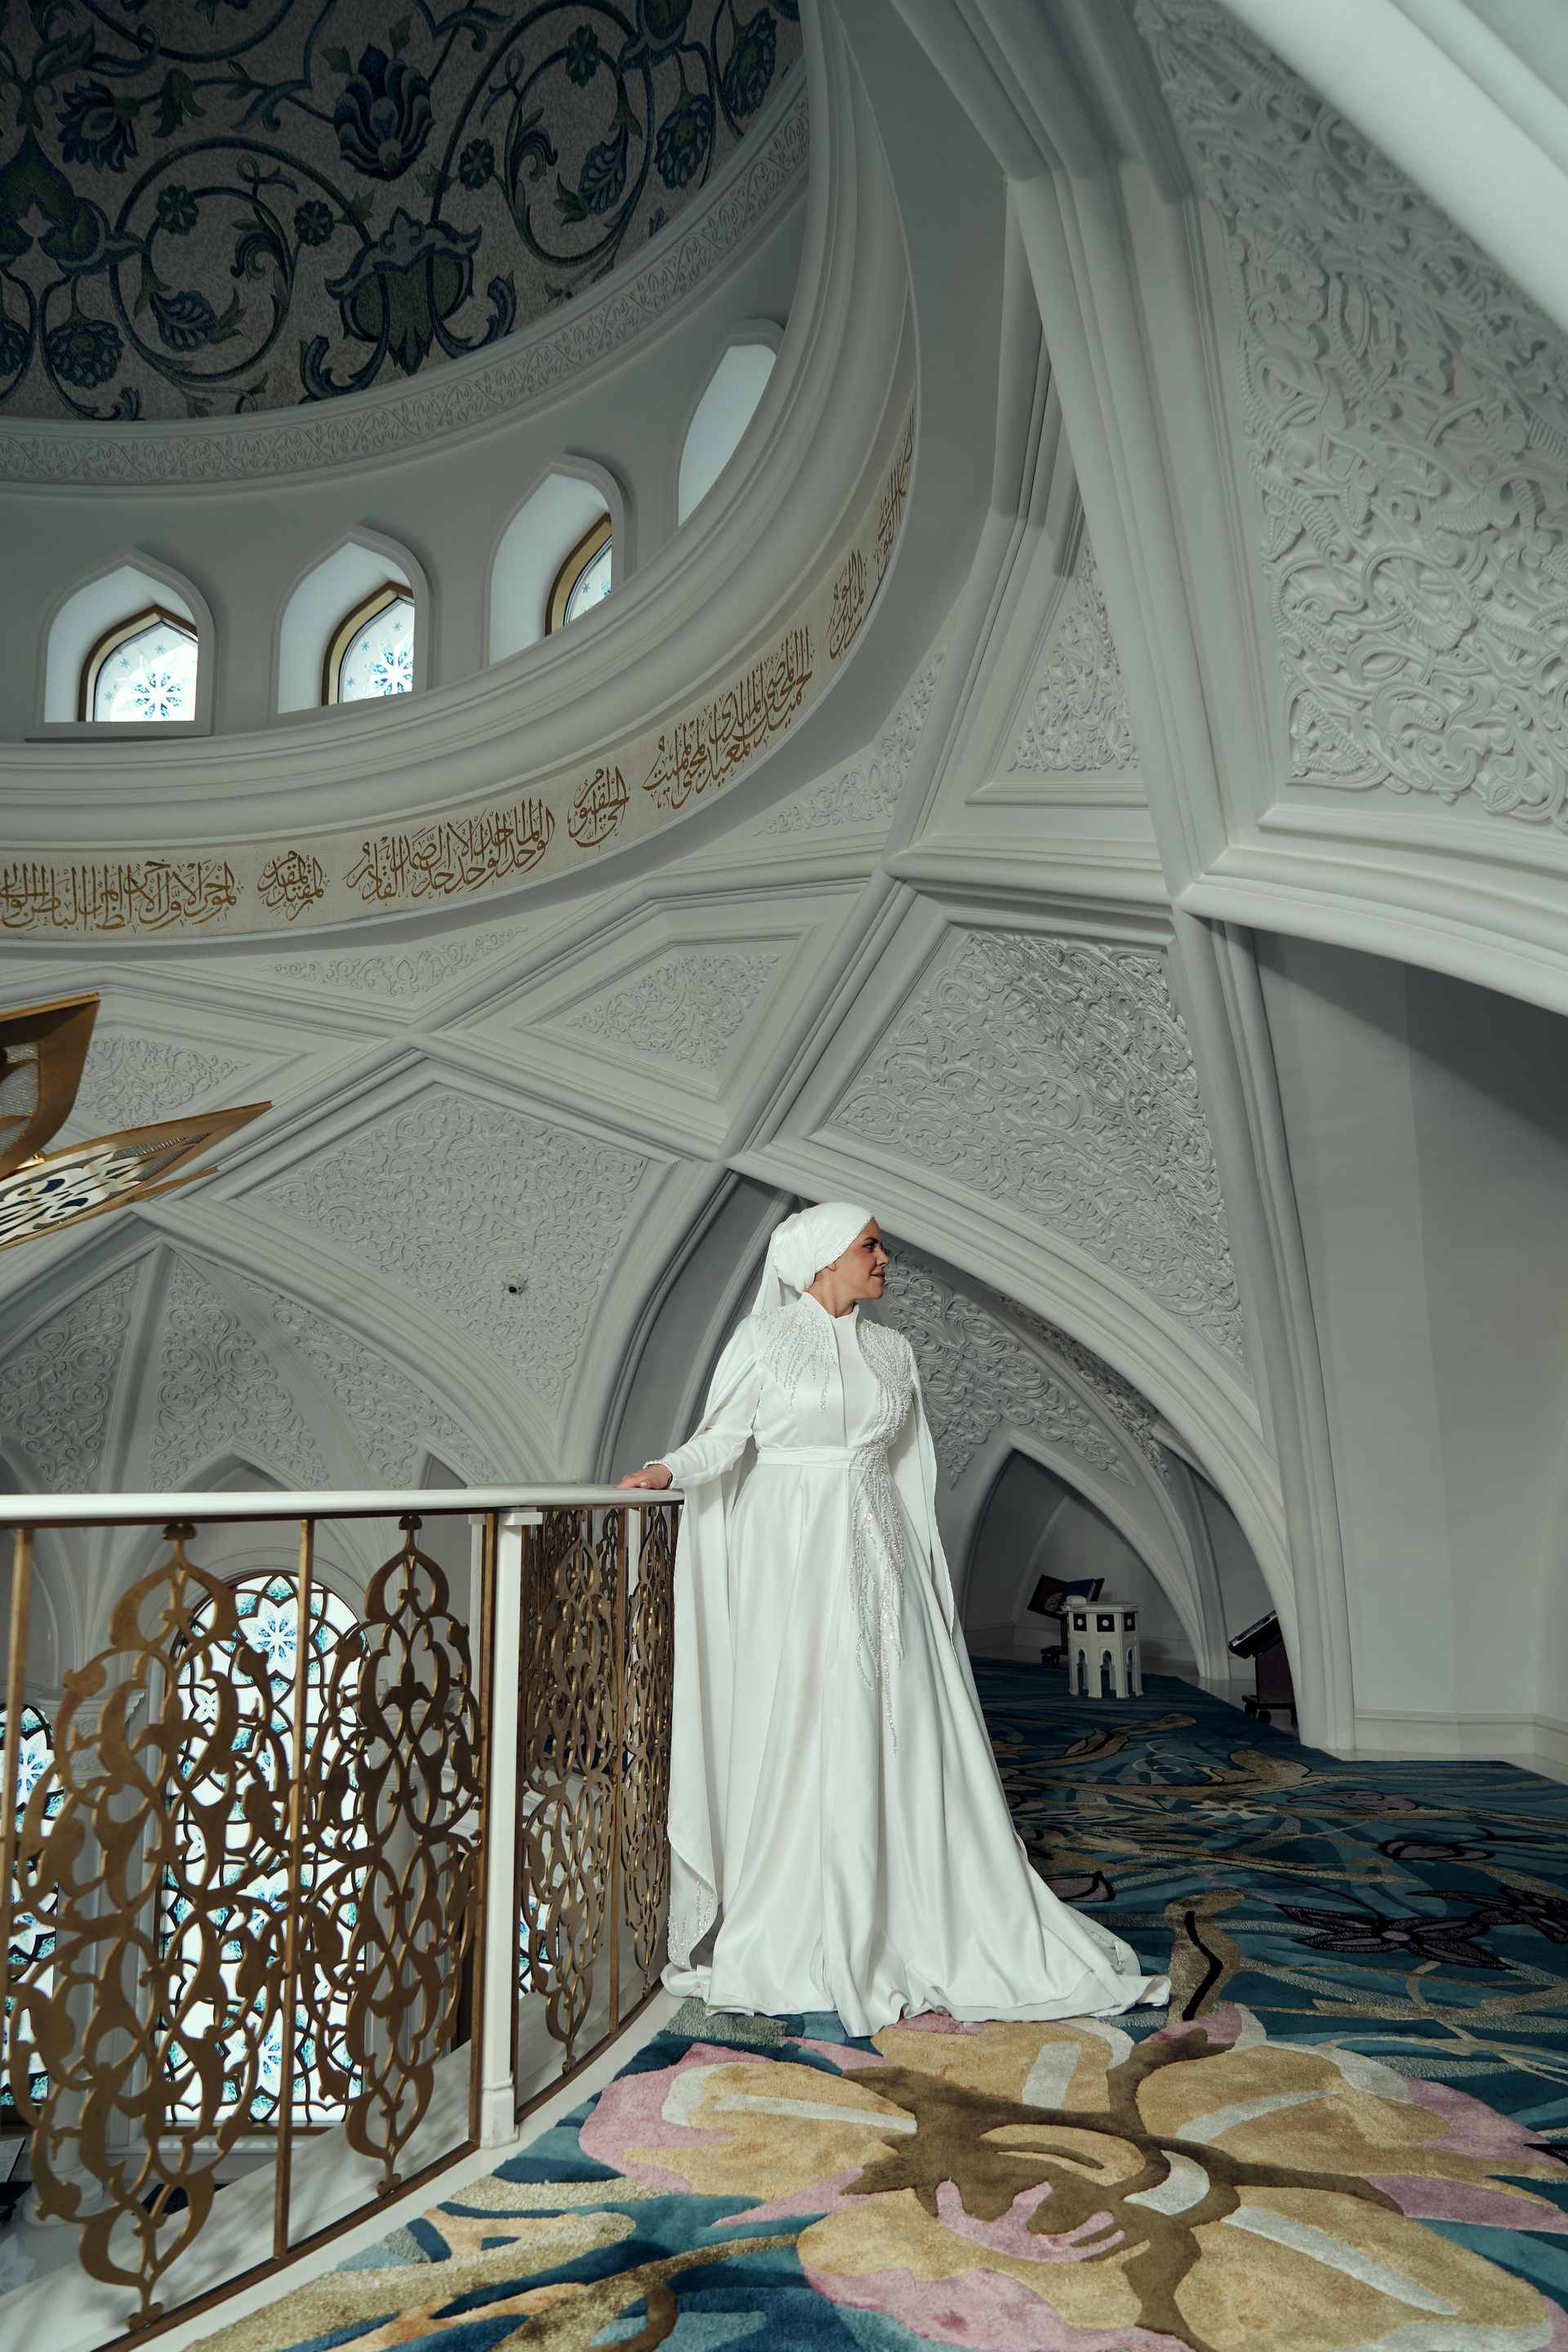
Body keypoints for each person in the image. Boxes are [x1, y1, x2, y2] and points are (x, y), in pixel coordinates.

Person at [617, 1200, 1169, 2035]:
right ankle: (799, 1912)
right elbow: (723, 1439)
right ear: (822, 1257)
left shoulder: (894, 1349)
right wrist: (666, 1469)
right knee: (803, 1710)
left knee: (893, 1708)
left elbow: (909, 1469)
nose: (885, 1260)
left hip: (881, 1545)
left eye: (880, 1247)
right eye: (870, 1246)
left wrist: (927, 1581)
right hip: (789, 1546)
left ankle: (912, 1904)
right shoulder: (763, 1339)